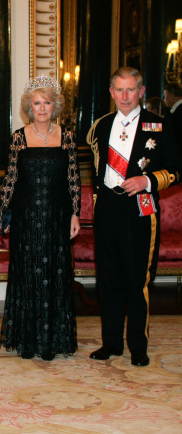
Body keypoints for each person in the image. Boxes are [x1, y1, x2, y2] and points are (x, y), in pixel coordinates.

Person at [86, 67, 182, 367]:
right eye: (119, 90)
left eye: (131, 90)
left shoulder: (160, 125)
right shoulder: (99, 126)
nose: (125, 96)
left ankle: (138, 345)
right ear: (112, 92)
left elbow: (177, 170)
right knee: (108, 279)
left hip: (140, 209)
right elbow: (96, 168)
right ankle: (111, 343)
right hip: (107, 211)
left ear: (141, 91)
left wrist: (148, 181)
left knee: (137, 280)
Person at [0, 75, 80, 361]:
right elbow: (11, 178)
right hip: (26, 217)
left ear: (54, 106)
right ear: (29, 107)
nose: (42, 108)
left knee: (55, 274)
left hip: (57, 217)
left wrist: (75, 215)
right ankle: (28, 340)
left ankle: (53, 340)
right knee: (29, 274)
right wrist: (3, 212)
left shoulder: (67, 136)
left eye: (47, 102)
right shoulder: (19, 138)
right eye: (37, 103)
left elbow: (73, 180)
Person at [163, 82, 182, 148]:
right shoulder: (176, 110)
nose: (164, 99)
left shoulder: (179, 111)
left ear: (172, 95)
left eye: (165, 96)